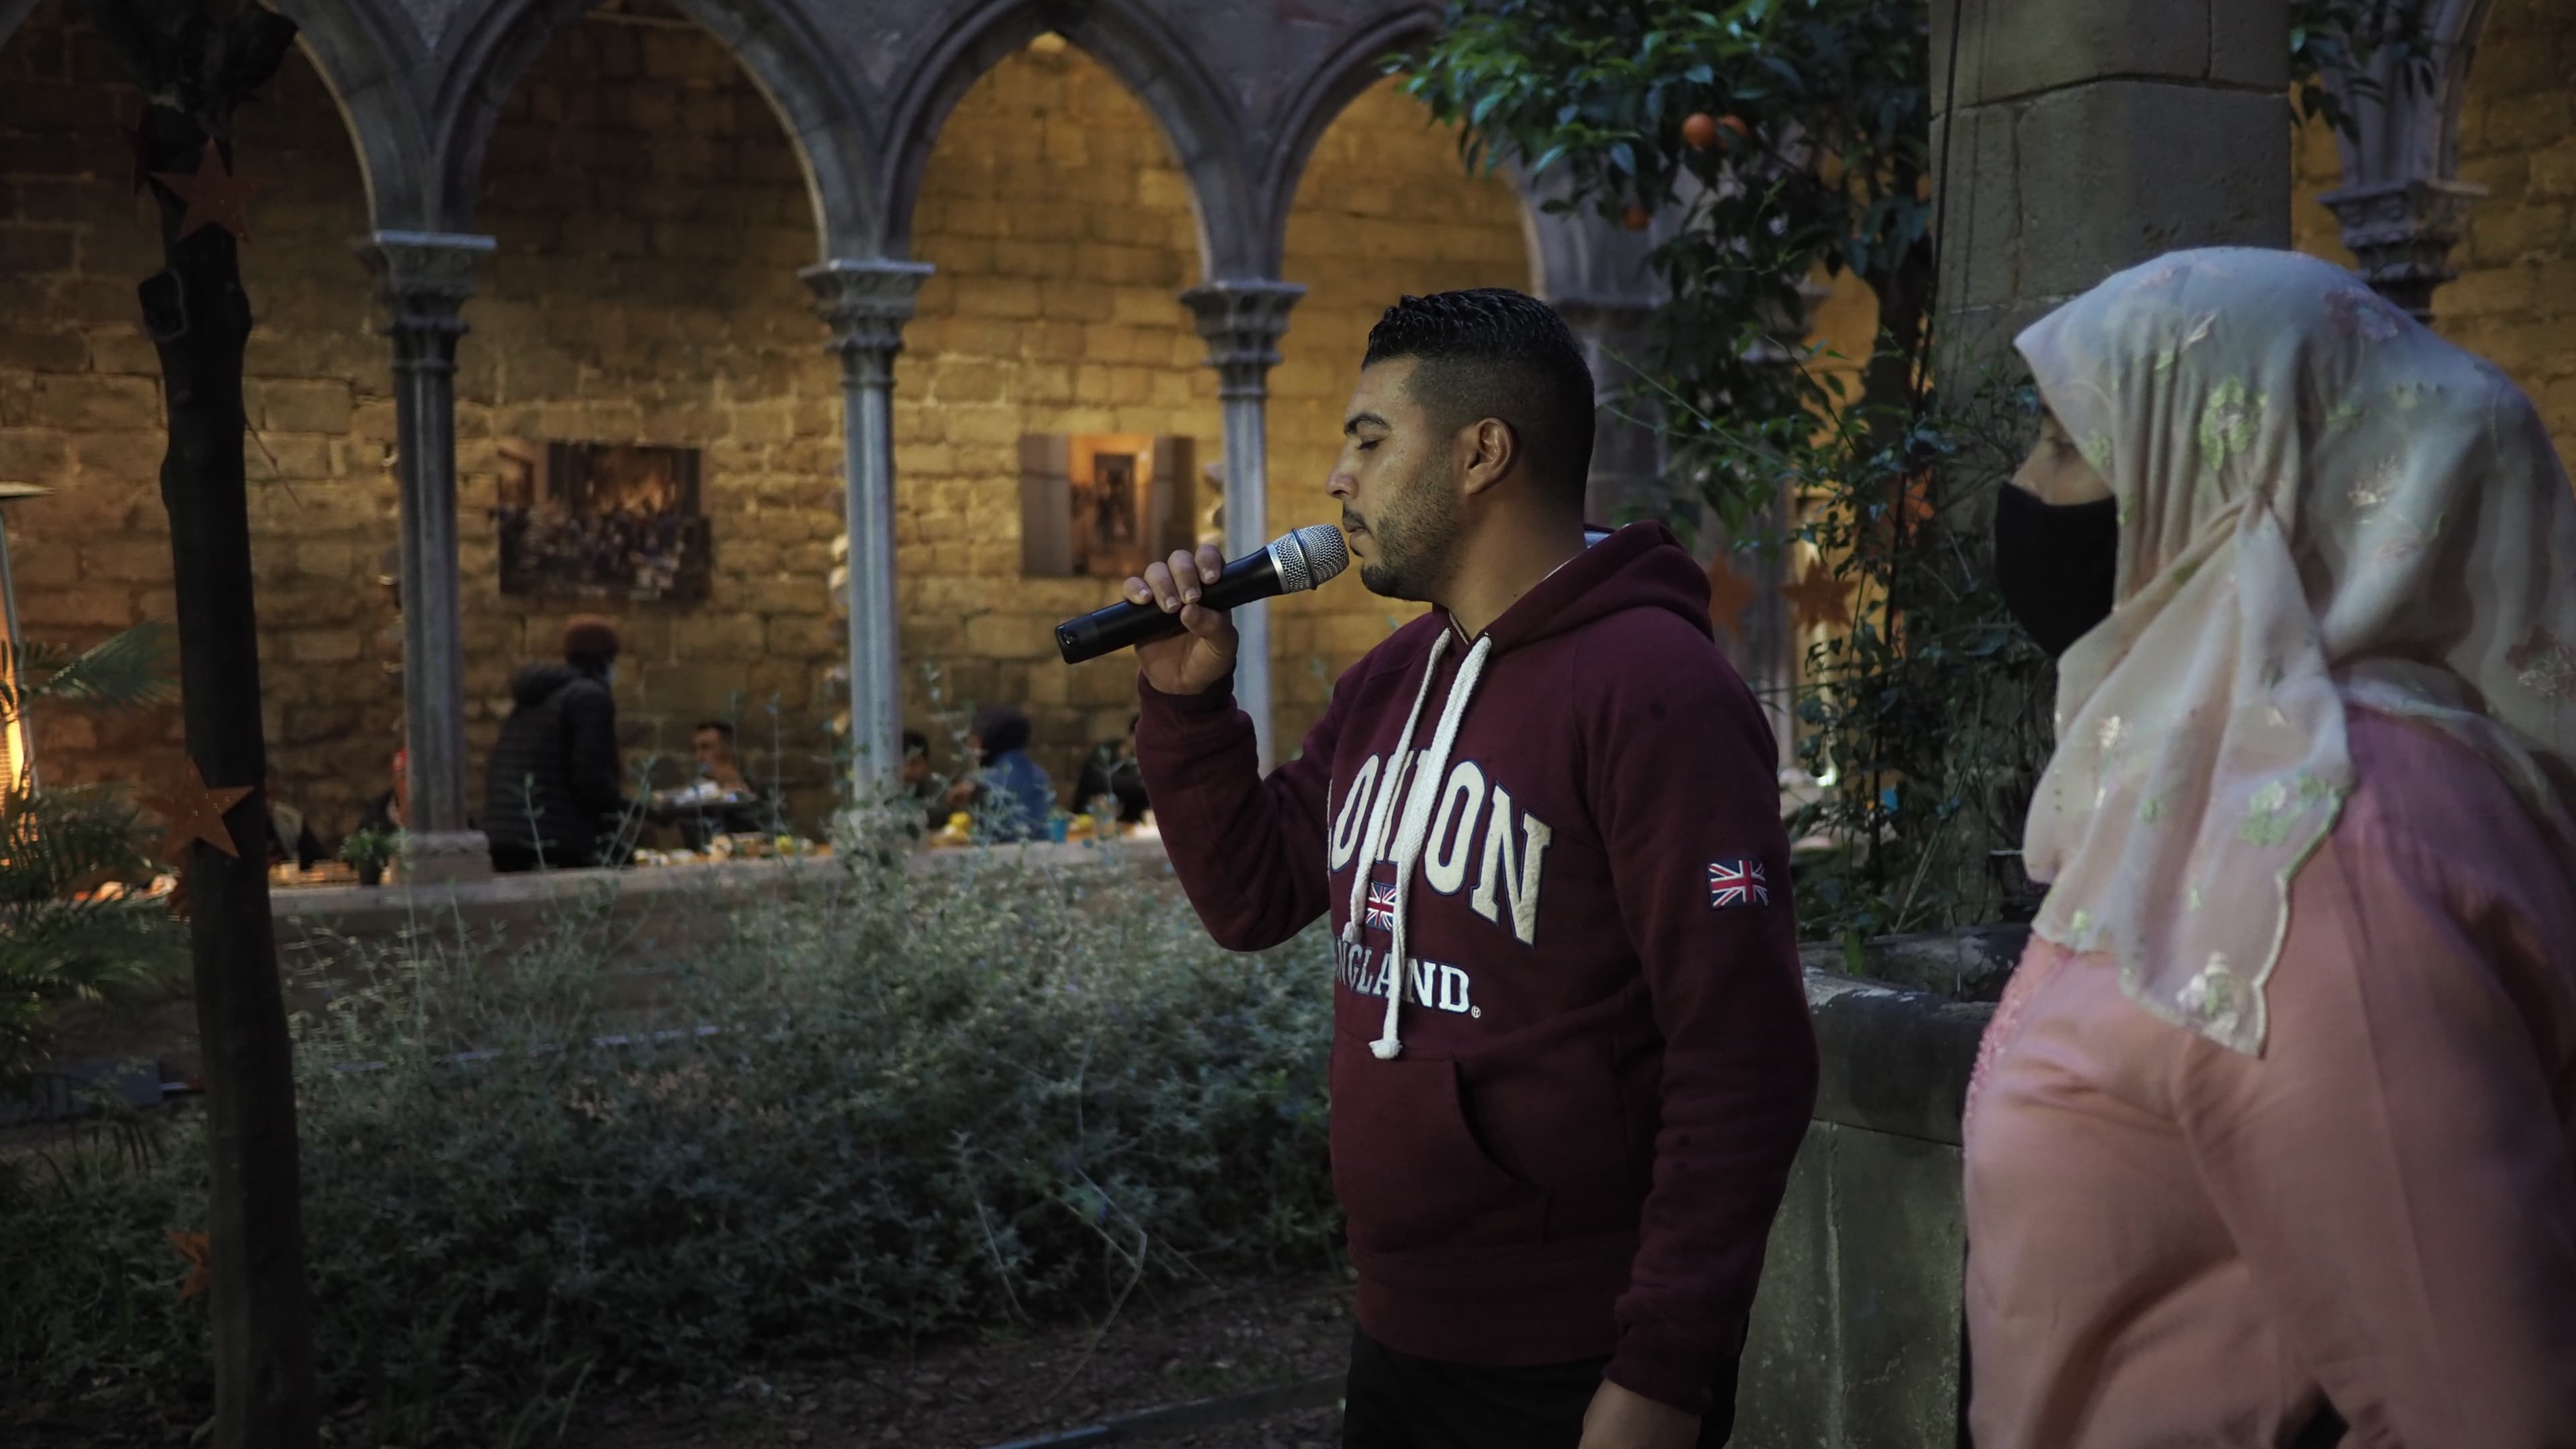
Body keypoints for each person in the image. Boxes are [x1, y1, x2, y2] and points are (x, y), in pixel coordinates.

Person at [1122, 288, 1817, 1449]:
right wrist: (1187, 705)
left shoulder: (1659, 691)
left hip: (1581, 1353)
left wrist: (1663, 1371)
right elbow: (1253, 895)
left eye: (1369, 440)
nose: (1338, 477)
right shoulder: (1393, 683)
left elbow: (1742, 1051)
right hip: (1402, 1329)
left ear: (1483, 453)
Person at [1962, 248, 2576, 1448]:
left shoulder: (2330, 851)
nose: (2025, 489)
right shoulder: (2233, 773)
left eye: (2067, 446)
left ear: (2241, 483)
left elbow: (2488, 1410)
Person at [483, 615, 631, 872]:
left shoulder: (534, 698)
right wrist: (632, 812)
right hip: (556, 838)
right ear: (605, 659)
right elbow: (591, 777)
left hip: (505, 834)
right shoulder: (589, 697)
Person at [945, 704, 1055, 842]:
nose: (971, 745)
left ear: (987, 739)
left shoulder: (984, 782)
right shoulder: (1042, 776)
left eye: (975, 739)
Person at [1075, 714, 1149, 824]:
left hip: (1129, 826)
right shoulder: (1104, 754)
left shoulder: (1141, 762)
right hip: (1090, 822)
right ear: (1131, 736)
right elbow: (1103, 781)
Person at [262, 767, 324, 870]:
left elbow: (318, 861)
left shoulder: (291, 819)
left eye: (272, 794)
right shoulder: (237, 825)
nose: (268, 803)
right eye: (262, 795)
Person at [900, 728, 945, 832]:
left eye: (915, 763)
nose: (907, 771)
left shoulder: (938, 791)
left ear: (926, 764)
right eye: (901, 764)